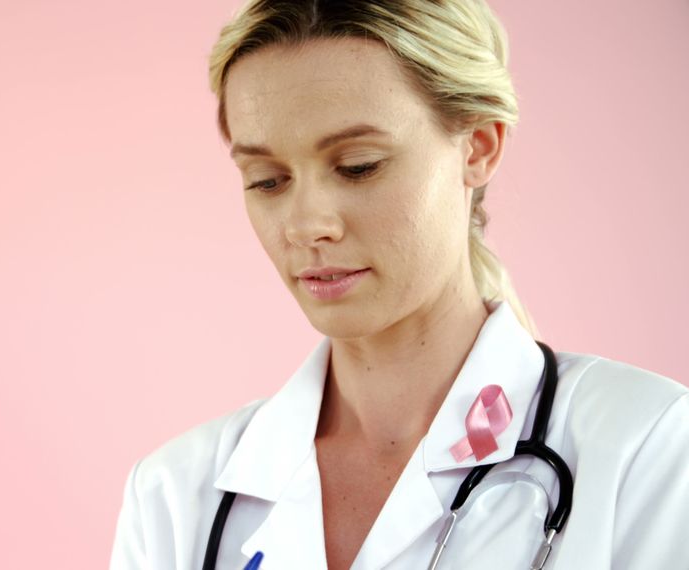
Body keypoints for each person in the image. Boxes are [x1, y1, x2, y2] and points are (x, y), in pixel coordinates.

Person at [108, 0, 689, 568]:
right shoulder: (174, 496)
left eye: (358, 165)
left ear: (479, 145)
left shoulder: (647, 449)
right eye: (267, 180)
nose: (308, 225)